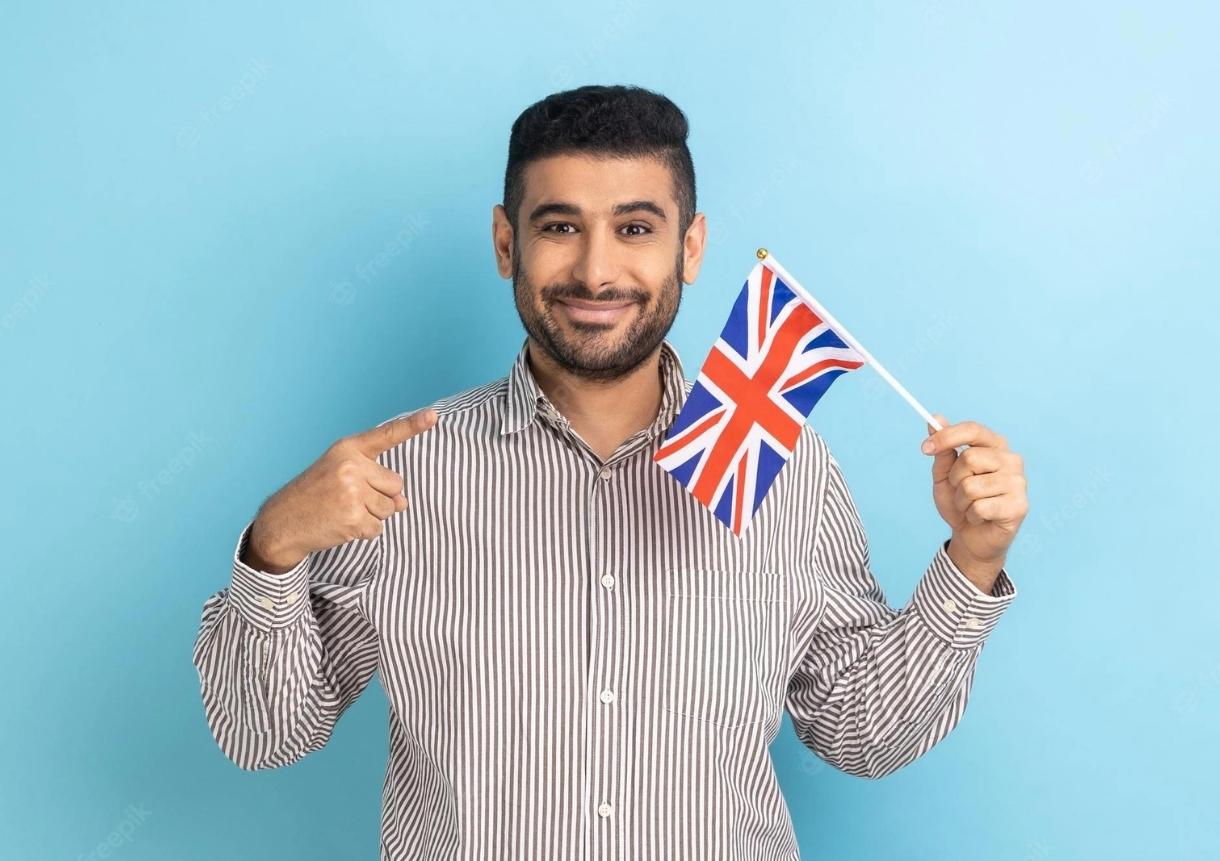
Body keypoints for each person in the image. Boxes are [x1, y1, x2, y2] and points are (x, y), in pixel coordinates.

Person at [192, 84, 1028, 861]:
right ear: (504, 242)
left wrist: (972, 561)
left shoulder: (782, 465)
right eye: (560, 226)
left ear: (689, 247)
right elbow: (264, 733)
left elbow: (863, 732)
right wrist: (272, 550)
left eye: (635, 228)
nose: (596, 272)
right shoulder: (399, 473)